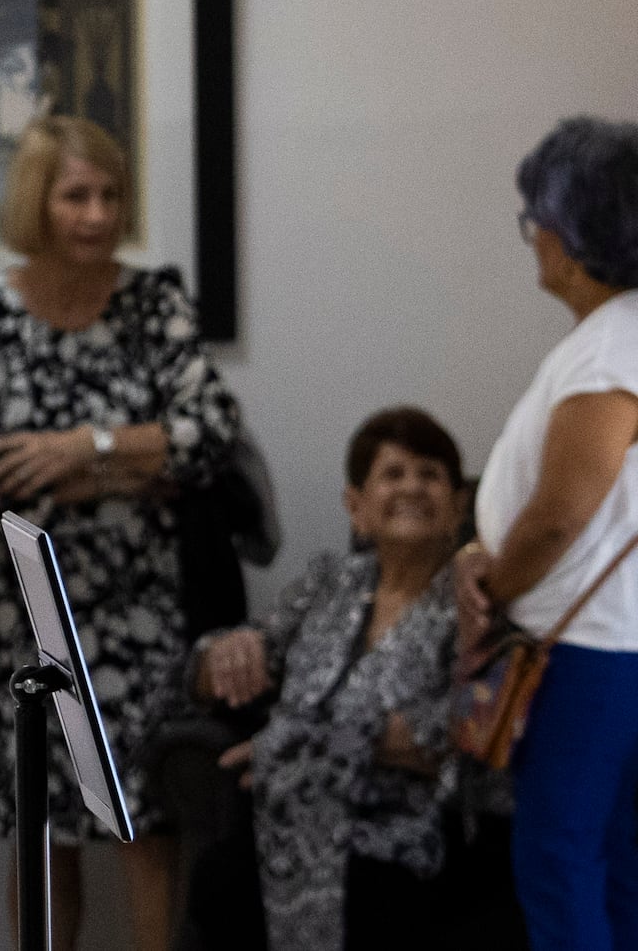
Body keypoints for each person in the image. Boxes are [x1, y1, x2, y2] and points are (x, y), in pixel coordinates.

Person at [0, 115, 242, 951]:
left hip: (136, 614)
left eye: (111, 195)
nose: (97, 213)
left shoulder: (153, 300)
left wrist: (74, 450)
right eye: (76, 195)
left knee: (140, 822)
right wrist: (136, 460)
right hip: (19, 614)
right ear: (36, 201)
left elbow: (211, 434)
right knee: (44, 832)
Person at [457, 117, 638, 951]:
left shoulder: (611, 348)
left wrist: (490, 585)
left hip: (593, 656)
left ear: (565, 235)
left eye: (534, 221)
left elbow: (564, 509)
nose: (532, 241)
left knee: (559, 859)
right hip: (607, 648)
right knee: (608, 863)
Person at [192, 407, 467, 951]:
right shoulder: (329, 582)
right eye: (393, 474)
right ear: (356, 507)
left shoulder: (472, 607)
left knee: (365, 898)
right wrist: (225, 651)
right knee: (219, 880)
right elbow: (227, 664)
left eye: (430, 474)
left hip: (394, 836)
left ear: (458, 507)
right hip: (286, 824)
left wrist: (295, 743)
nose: (412, 487)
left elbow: (441, 735)